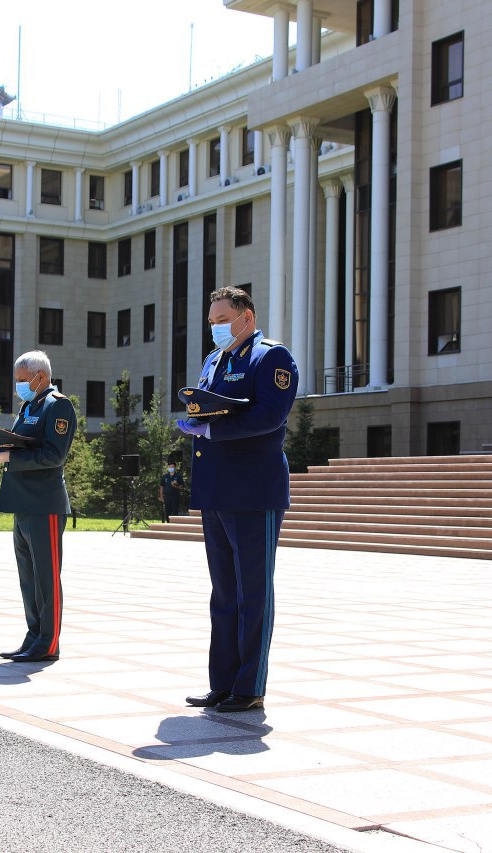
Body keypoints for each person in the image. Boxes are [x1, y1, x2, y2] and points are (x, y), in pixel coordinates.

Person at [176, 286, 298, 713]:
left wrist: (212, 430)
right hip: (216, 489)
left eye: (222, 319)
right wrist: (195, 419)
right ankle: (222, 683)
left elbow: (270, 416)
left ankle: (249, 687)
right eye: (211, 321)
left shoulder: (271, 358)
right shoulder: (215, 360)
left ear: (247, 317)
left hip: (253, 491)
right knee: (224, 592)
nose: (215, 328)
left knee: (253, 592)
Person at [0, 350, 76, 663]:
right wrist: (0, 452)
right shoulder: (29, 405)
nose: (19, 385)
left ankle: (48, 644)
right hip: (23, 502)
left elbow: (54, 455)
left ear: (41, 377)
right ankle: (33, 636)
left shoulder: (57, 405)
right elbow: (22, 444)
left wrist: (12, 457)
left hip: (44, 503)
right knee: (28, 576)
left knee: (46, 577)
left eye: (23, 380)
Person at [159, 457, 184, 522]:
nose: (171, 468)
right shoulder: (165, 476)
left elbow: (182, 487)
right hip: (166, 497)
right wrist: (161, 497)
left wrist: (176, 486)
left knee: (175, 512)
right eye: (169, 467)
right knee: (167, 512)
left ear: (175, 467)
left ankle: (174, 526)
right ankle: (168, 525)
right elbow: (161, 486)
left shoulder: (178, 476)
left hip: (175, 497)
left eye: (172, 467)